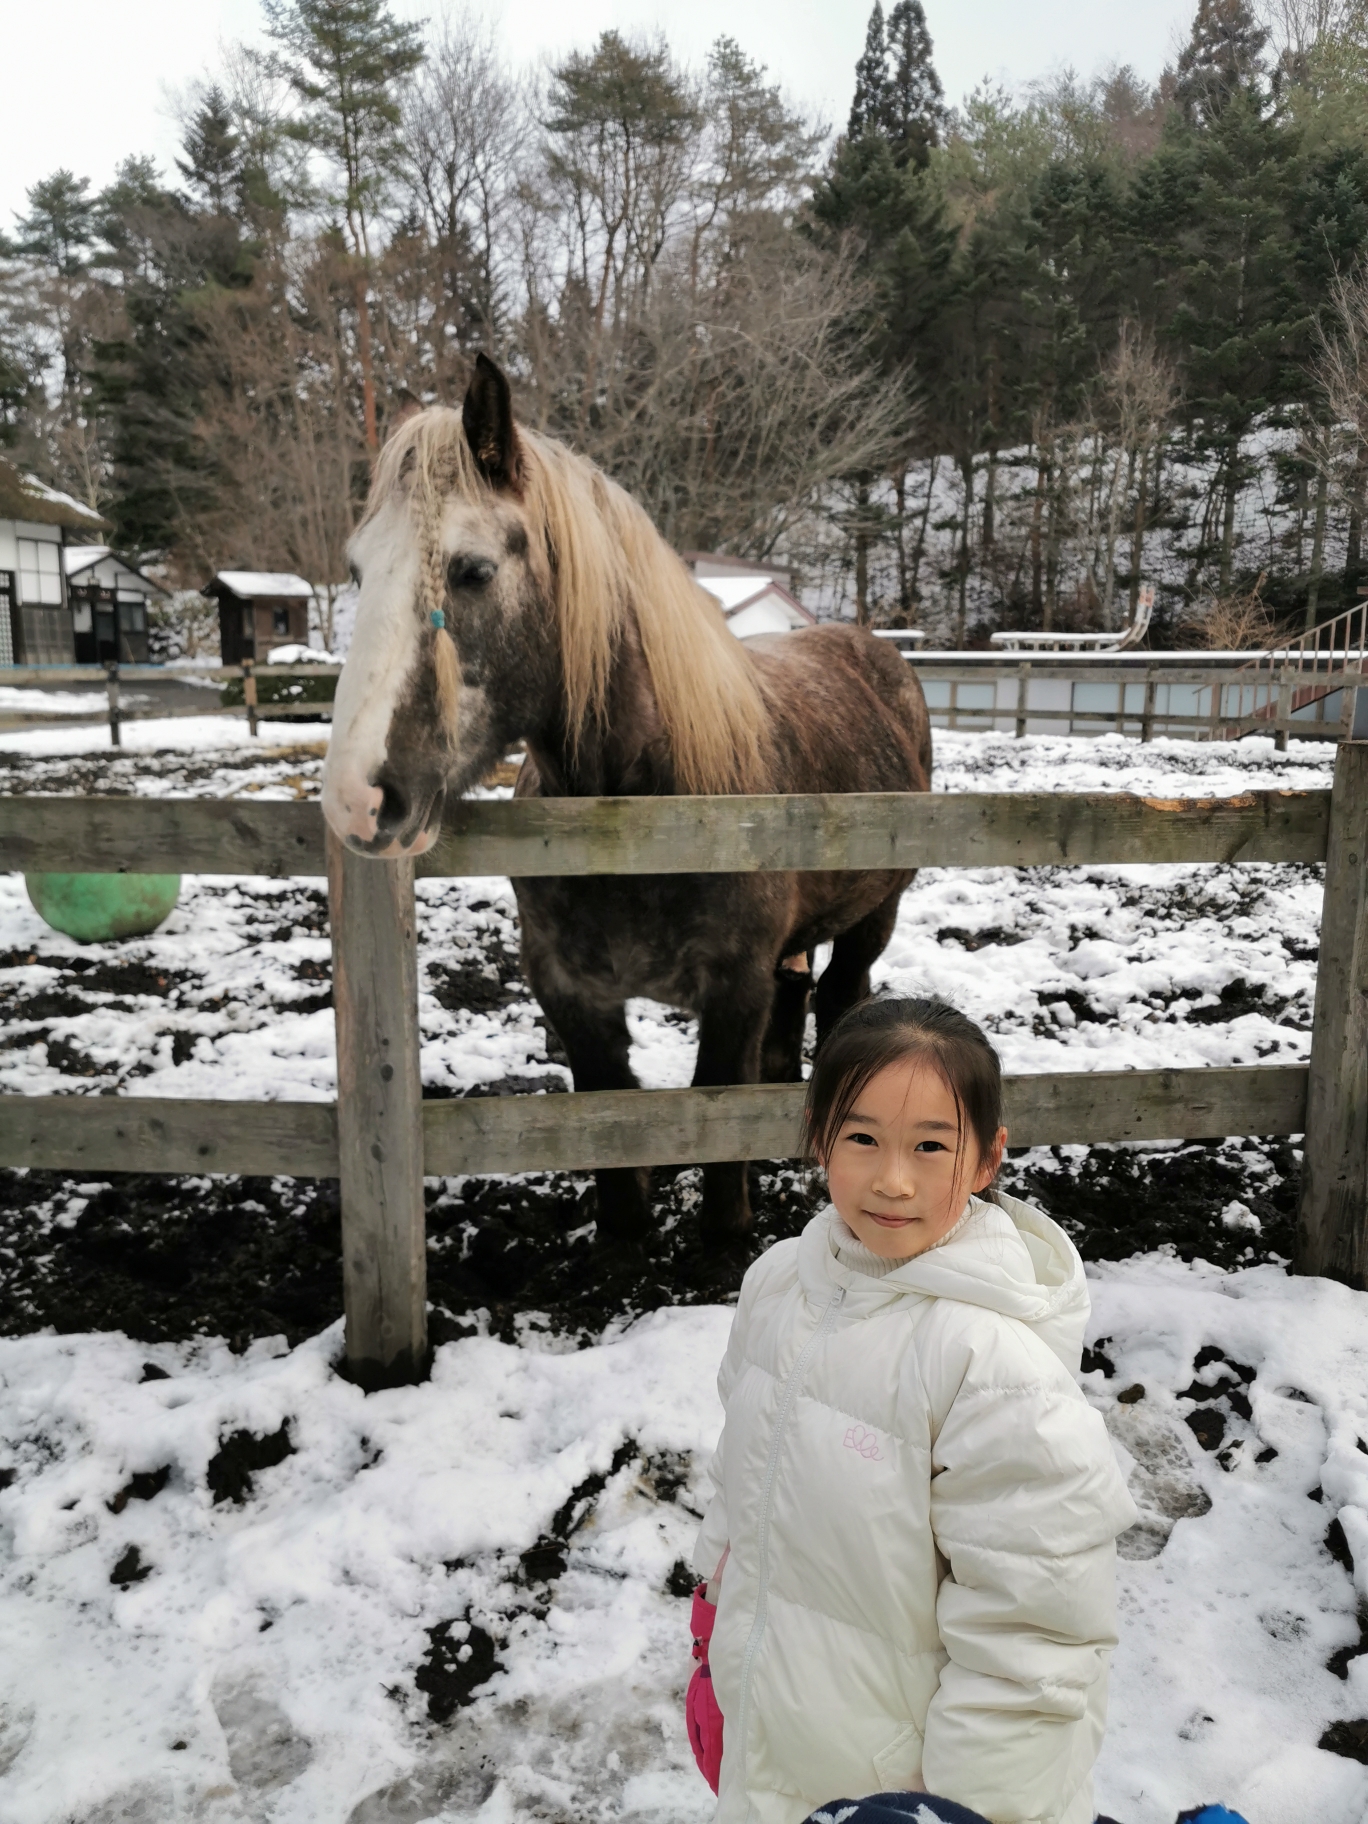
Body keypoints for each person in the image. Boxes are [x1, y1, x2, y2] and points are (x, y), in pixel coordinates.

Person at [687, 995, 1137, 1824]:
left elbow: (1033, 1638)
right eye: (862, 1139)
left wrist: (967, 1814)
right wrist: (715, 1631)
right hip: (780, 1744)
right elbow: (745, 1471)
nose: (893, 1179)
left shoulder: (991, 1368)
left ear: (986, 1159)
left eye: (932, 1146)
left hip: (911, 1789)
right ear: (820, 1136)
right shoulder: (781, 1283)